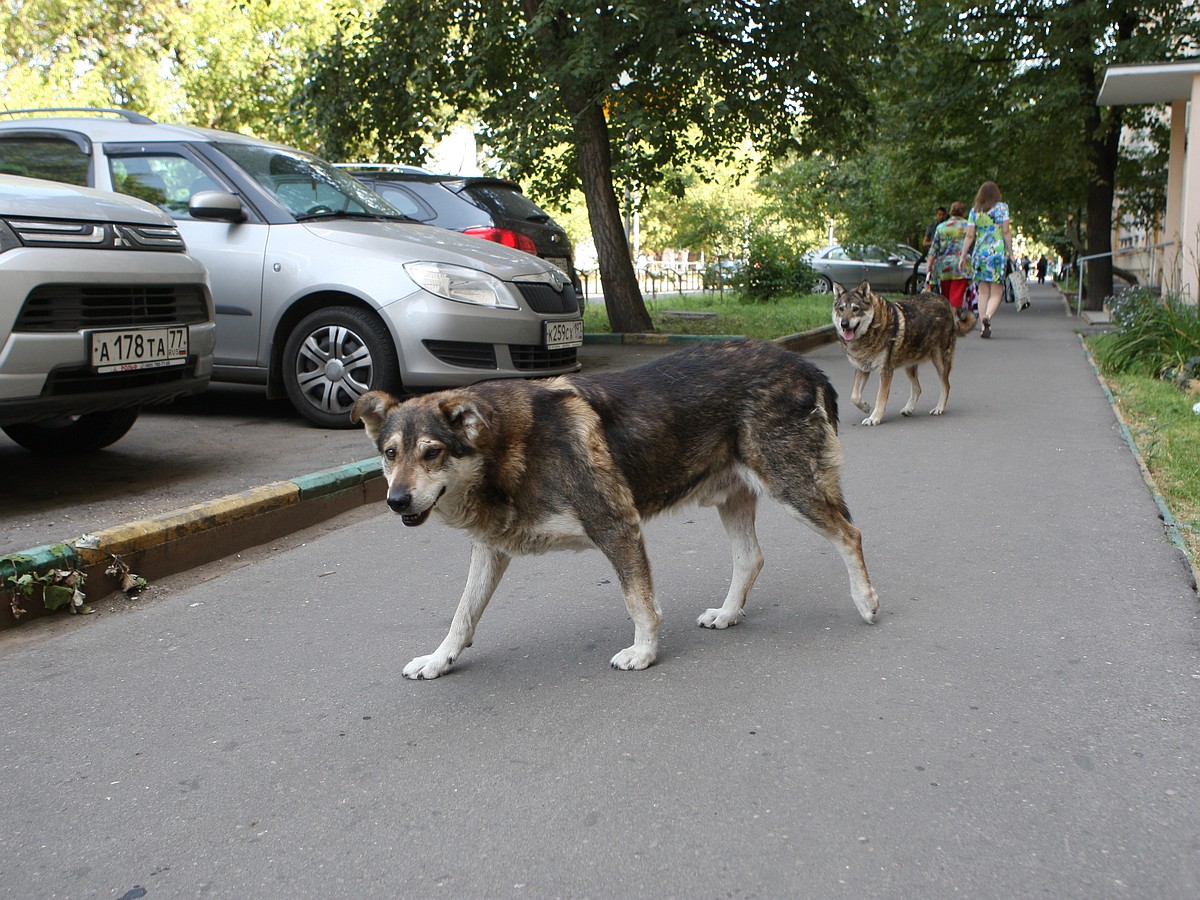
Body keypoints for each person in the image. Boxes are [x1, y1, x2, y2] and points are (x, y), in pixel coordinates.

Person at [959, 181, 1012, 339]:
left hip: (980, 255)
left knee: (982, 292)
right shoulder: (1002, 208)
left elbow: (969, 235)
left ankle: (983, 327)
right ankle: (987, 317)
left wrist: (962, 256)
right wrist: (1012, 254)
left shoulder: (975, 211)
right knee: (997, 291)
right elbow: (1006, 232)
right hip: (997, 254)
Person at [926, 200, 971, 310]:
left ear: (950, 212)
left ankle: (947, 316)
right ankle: (953, 317)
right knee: (956, 294)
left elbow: (934, 249)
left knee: (945, 294)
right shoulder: (968, 226)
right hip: (962, 266)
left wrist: (929, 266)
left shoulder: (941, 227)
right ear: (963, 212)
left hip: (943, 267)